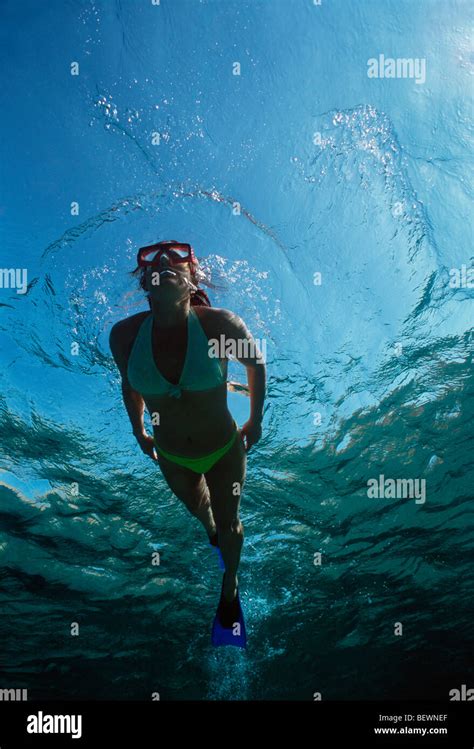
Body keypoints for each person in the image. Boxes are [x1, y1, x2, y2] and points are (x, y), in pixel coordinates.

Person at [109, 240, 266, 644]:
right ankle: (213, 534)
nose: (163, 260)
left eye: (176, 257)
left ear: (192, 278)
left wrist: (255, 420)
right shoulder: (125, 336)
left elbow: (255, 363)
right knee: (204, 517)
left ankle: (229, 590)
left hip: (223, 450)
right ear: (145, 281)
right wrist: (137, 430)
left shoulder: (218, 326)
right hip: (173, 457)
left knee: (229, 521)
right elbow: (131, 387)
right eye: (153, 259)